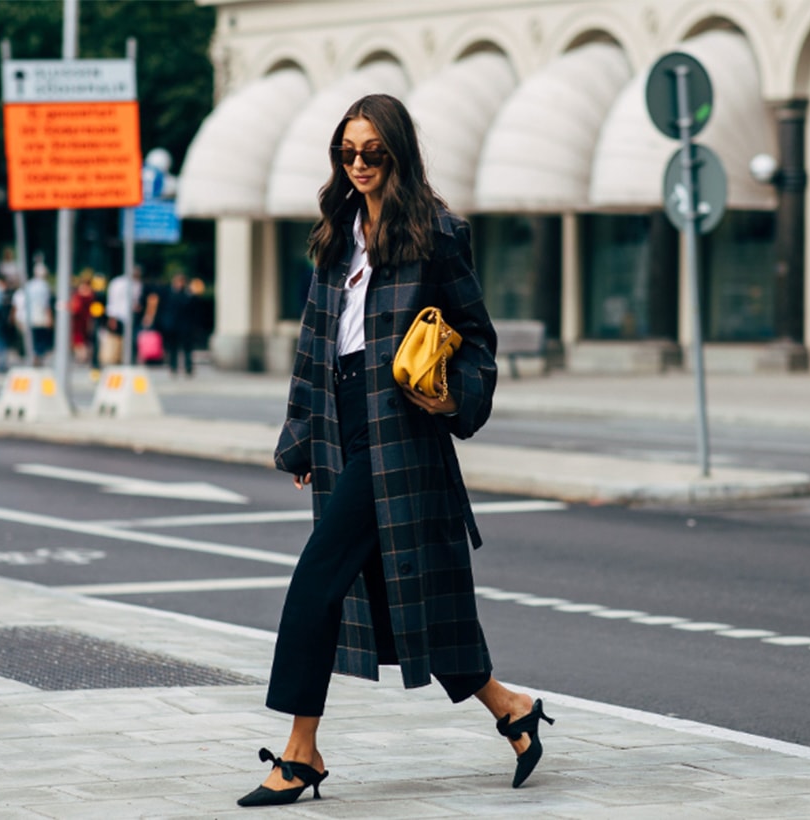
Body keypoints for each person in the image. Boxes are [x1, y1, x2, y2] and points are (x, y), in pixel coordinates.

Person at [238, 93, 552, 808]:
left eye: (372, 153)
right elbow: (315, 345)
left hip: (401, 429)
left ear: (399, 154)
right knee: (408, 597)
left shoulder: (437, 235)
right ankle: (512, 710)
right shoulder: (333, 234)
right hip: (341, 418)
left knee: (317, 583)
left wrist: (456, 398)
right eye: (347, 153)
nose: (359, 165)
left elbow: (477, 337)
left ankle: (301, 752)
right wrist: (300, 441)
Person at [155, 271, 196, 377]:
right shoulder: (169, 293)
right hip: (172, 325)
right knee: (173, 347)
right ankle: (173, 366)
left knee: (187, 348)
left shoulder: (188, 294)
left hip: (185, 325)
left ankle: (188, 367)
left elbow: (193, 310)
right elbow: (163, 308)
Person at [104, 265, 143, 365]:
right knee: (118, 339)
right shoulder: (118, 283)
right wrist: (112, 317)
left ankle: (128, 359)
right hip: (119, 315)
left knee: (131, 340)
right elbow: (113, 301)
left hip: (132, 317)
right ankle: (118, 359)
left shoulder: (137, 284)